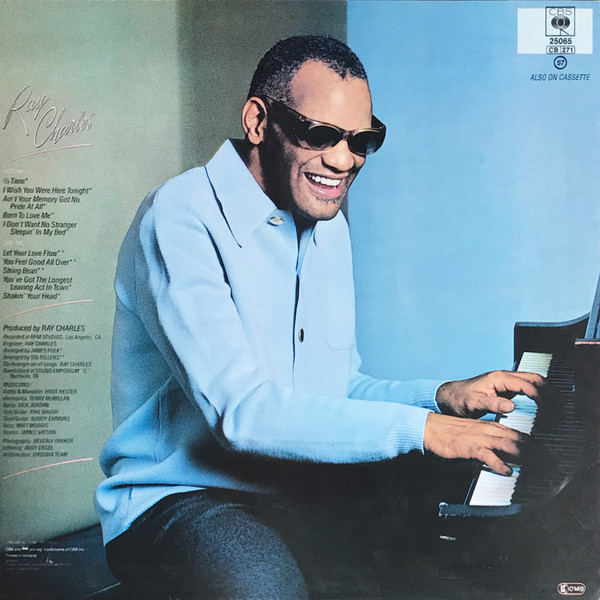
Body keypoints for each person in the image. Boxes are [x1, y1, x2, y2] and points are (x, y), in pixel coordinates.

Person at [95, 35, 552, 599]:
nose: (344, 160)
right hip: (177, 497)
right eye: (320, 135)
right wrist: (423, 429)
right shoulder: (179, 217)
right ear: (258, 121)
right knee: (266, 587)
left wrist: (440, 398)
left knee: (454, 552)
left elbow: (336, 390)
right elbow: (242, 415)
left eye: (362, 140)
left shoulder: (327, 226)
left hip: (294, 483)